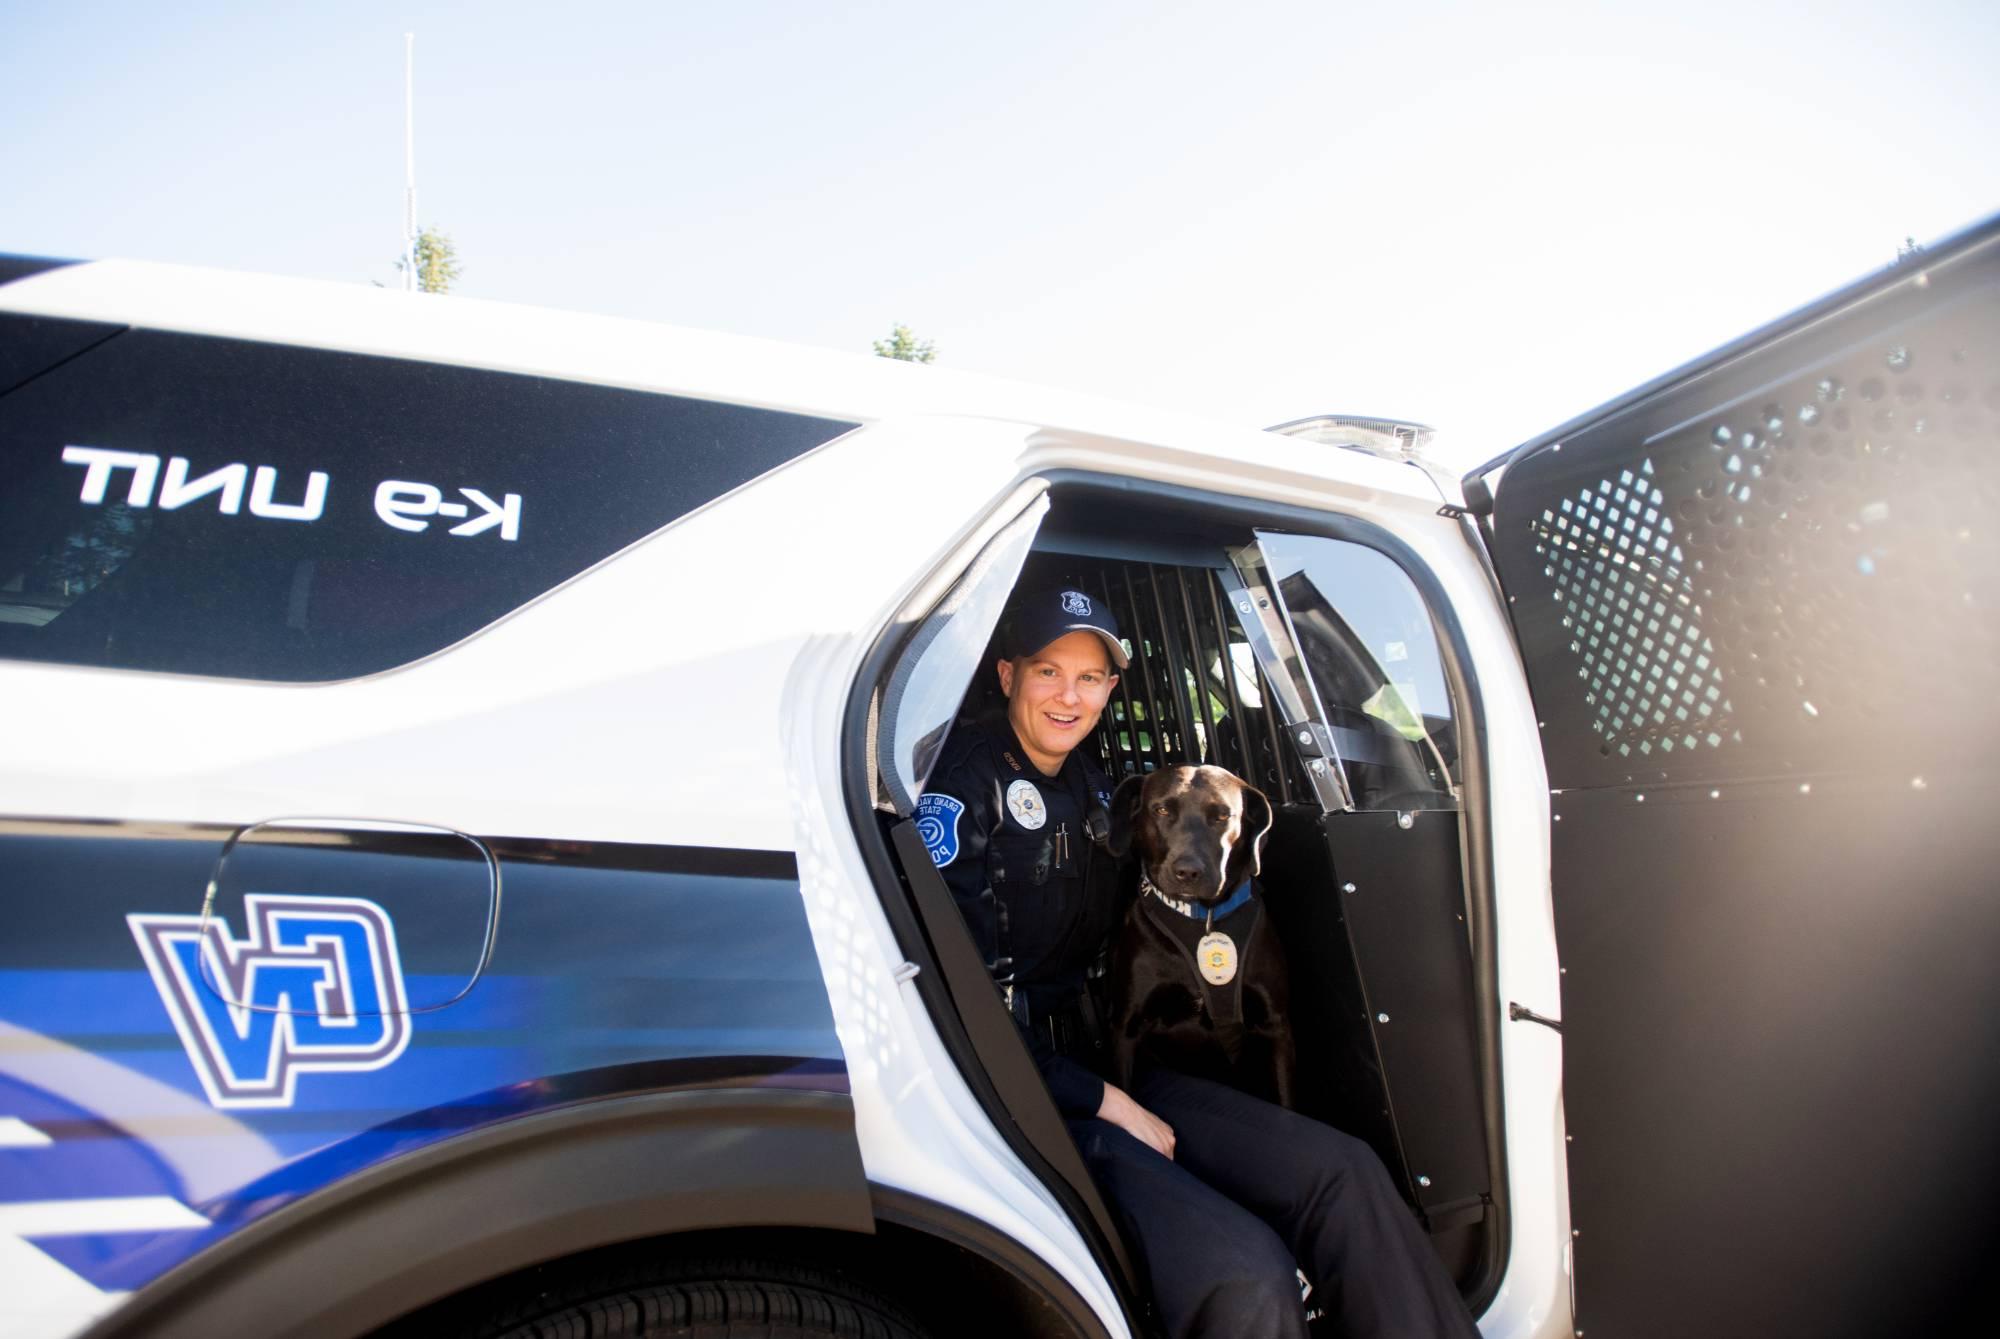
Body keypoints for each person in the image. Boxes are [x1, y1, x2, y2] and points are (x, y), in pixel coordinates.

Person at [917, 585, 1481, 1339]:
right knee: (1245, 1273)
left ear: (1112, 688)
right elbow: (955, 999)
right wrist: (1104, 1099)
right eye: (1049, 671)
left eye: (1090, 678)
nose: (1068, 696)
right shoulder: (964, 785)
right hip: (1018, 1087)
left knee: (1345, 1173)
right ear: (1007, 674)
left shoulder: (1095, 785)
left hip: (1113, 1058)